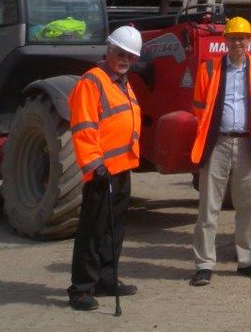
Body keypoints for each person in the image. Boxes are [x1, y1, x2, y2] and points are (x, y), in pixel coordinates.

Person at [189, 16, 251, 286]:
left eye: (242, 38)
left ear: (250, 41)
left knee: (247, 206)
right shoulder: (209, 69)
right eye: (233, 38)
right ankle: (204, 263)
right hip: (218, 143)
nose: (238, 42)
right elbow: (199, 108)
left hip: (249, 143)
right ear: (225, 41)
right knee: (208, 207)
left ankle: (247, 260)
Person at [67, 25, 143, 311]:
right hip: (101, 171)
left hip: (122, 167)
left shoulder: (121, 82)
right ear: (109, 50)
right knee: (93, 230)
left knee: (114, 228)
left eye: (131, 57)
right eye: (121, 53)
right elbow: (84, 127)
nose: (125, 60)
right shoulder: (93, 82)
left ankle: (107, 278)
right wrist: (94, 164)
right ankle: (81, 288)